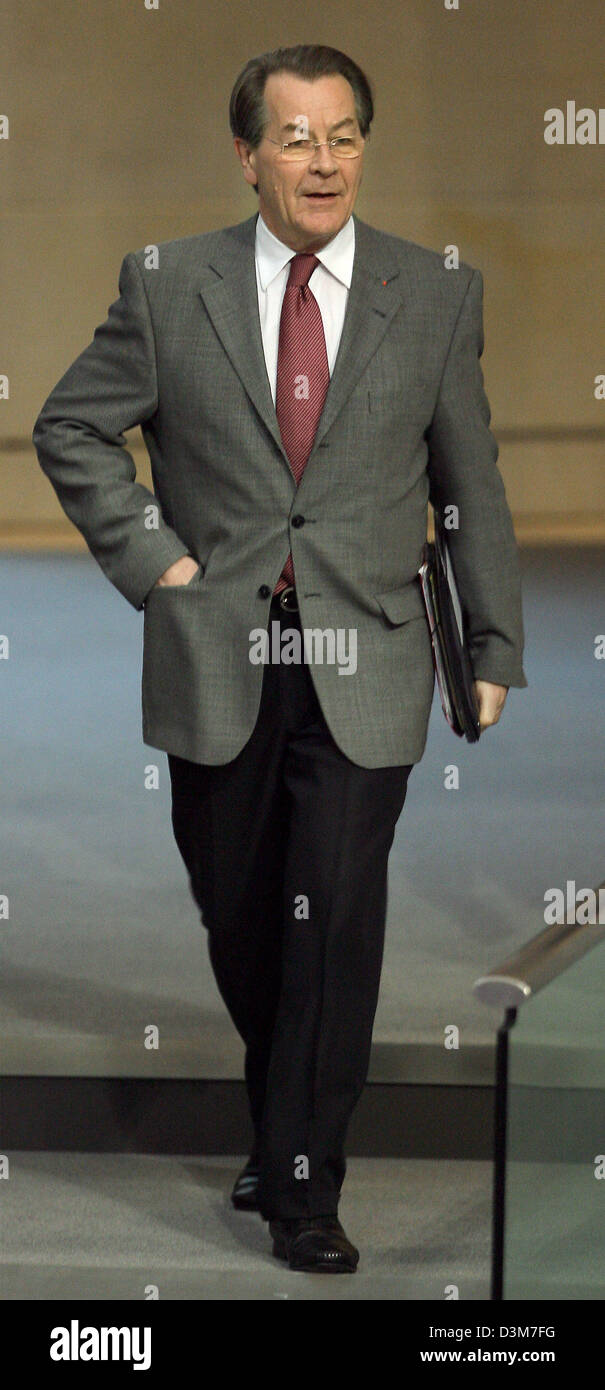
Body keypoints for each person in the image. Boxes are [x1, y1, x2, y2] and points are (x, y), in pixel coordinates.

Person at [32, 44, 527, 1274]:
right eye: (296, 137)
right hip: (218, 653)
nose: (323, 160)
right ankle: (282, 1113)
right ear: (246, 154)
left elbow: (472, 483)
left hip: (371, 653)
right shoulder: (168, 288)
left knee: (334, 923)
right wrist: (161, 561)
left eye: (344, 135)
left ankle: (305, 1181)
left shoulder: (432, 292)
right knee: (246, 915)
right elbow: (71, 425)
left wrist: (491, 638)